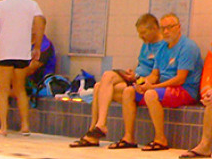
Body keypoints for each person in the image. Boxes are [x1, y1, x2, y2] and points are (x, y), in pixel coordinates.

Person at [112, 13, 202, 151]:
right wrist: (143, 85)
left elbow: (180, 79)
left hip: (185, 90)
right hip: (164, 88)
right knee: (129, 91)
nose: (166, 31)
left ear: (179, 27)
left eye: (169, 27)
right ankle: (128, 137)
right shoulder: (162, 48)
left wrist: (153, 87)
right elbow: (155, 74)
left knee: (151, 94)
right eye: (163, 28)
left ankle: (160, 139)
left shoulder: (187, 47)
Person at [70, 14, 163, 147]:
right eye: (139, 33)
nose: (141, 36)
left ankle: (98, 128)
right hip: (135, 78)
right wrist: (132, 73)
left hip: (143, 84)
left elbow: (155, 76)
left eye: (143, 33)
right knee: (101, 82)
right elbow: (141, 66)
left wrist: (137, 78)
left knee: (100, 88)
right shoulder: (146, 45)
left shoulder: (163, 47)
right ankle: (96, 128)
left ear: (154, 28)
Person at [0, 0, 45, 136]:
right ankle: (25, 126)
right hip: (22, 52)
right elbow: (40, 25)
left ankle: (4, 127)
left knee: (3, 89)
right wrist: (37, 47)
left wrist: (1, 33)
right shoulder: (32, 4)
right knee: (20, 89)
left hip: (5, 52)